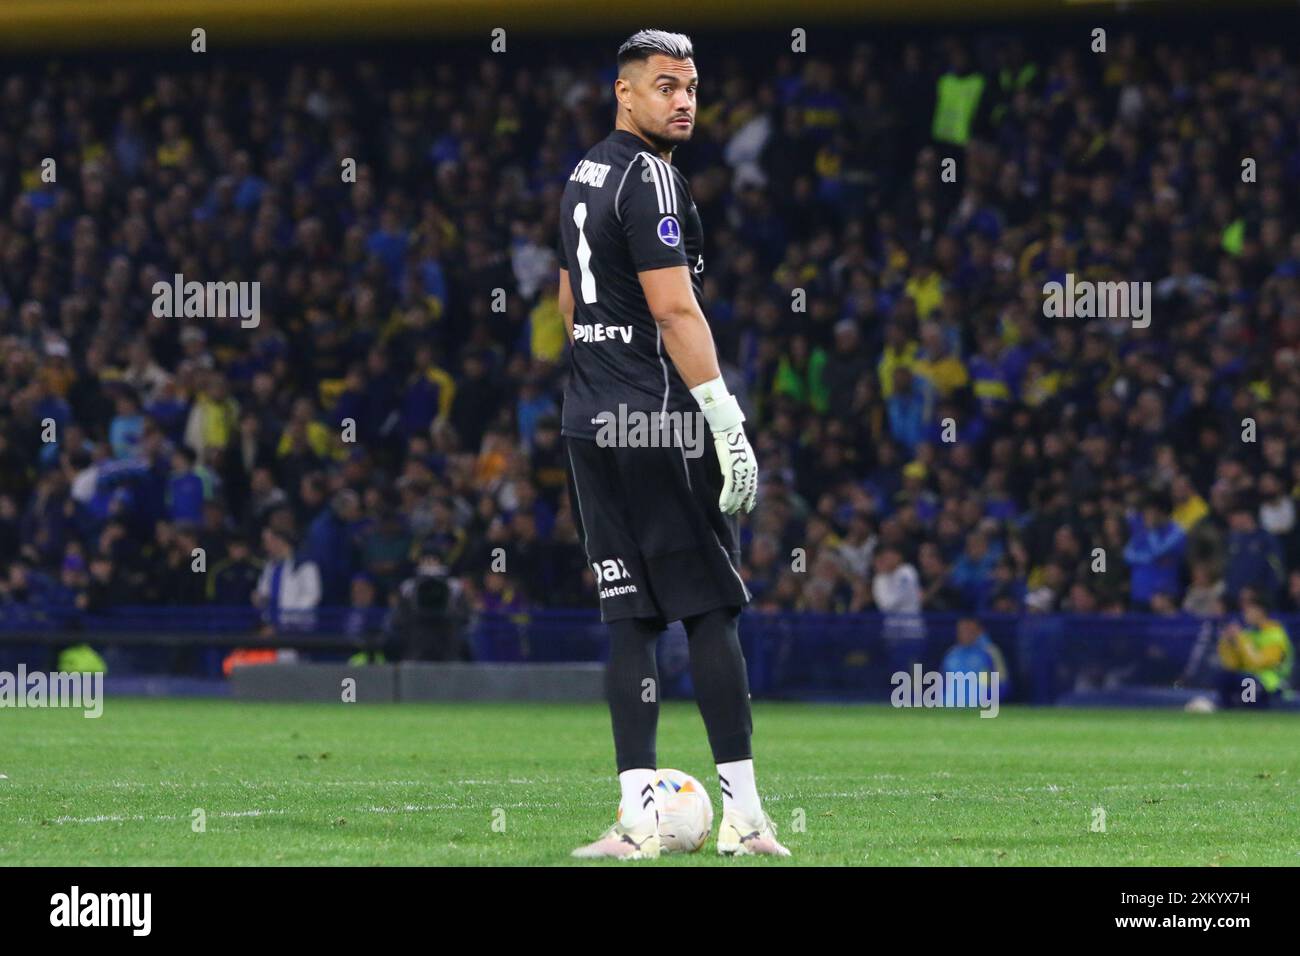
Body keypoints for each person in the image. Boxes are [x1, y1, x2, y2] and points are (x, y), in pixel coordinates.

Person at [556, 29, 784, 859]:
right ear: (625, 92)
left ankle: (633, 822)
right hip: (656, 420)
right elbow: (675, 310)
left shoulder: (583, 172)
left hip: (590, 421)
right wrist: (727, 423)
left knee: (628, 618)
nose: (683, 100)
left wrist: (595, 380)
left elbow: (567, 303)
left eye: (690, 86)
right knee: (710, 611)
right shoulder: (652, 178)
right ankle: (746, 816)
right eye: (664, 86)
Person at [1216, 594, 1294, 708]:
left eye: (1249, 610)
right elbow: (1231, 665)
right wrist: (1227, 644)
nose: (1245, 614)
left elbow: (1257, 663)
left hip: (1270, 685)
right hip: (1248, 680)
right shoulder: (1250, 633)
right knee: (1224, 677)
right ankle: (1225, 711)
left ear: (1260, 611)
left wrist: (1241, 639)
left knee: (1247, 681)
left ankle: (1250, 712)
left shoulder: (1275, 634)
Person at [940, 617, 1009, 706]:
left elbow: (1003, 685)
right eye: (962, 631)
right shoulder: (951, 653)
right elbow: (941, 682)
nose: (966, 634)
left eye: (970, 631)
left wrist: (986, 699)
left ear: (978, 632)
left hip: (980, 704)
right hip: (949, 704)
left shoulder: (990, 652)